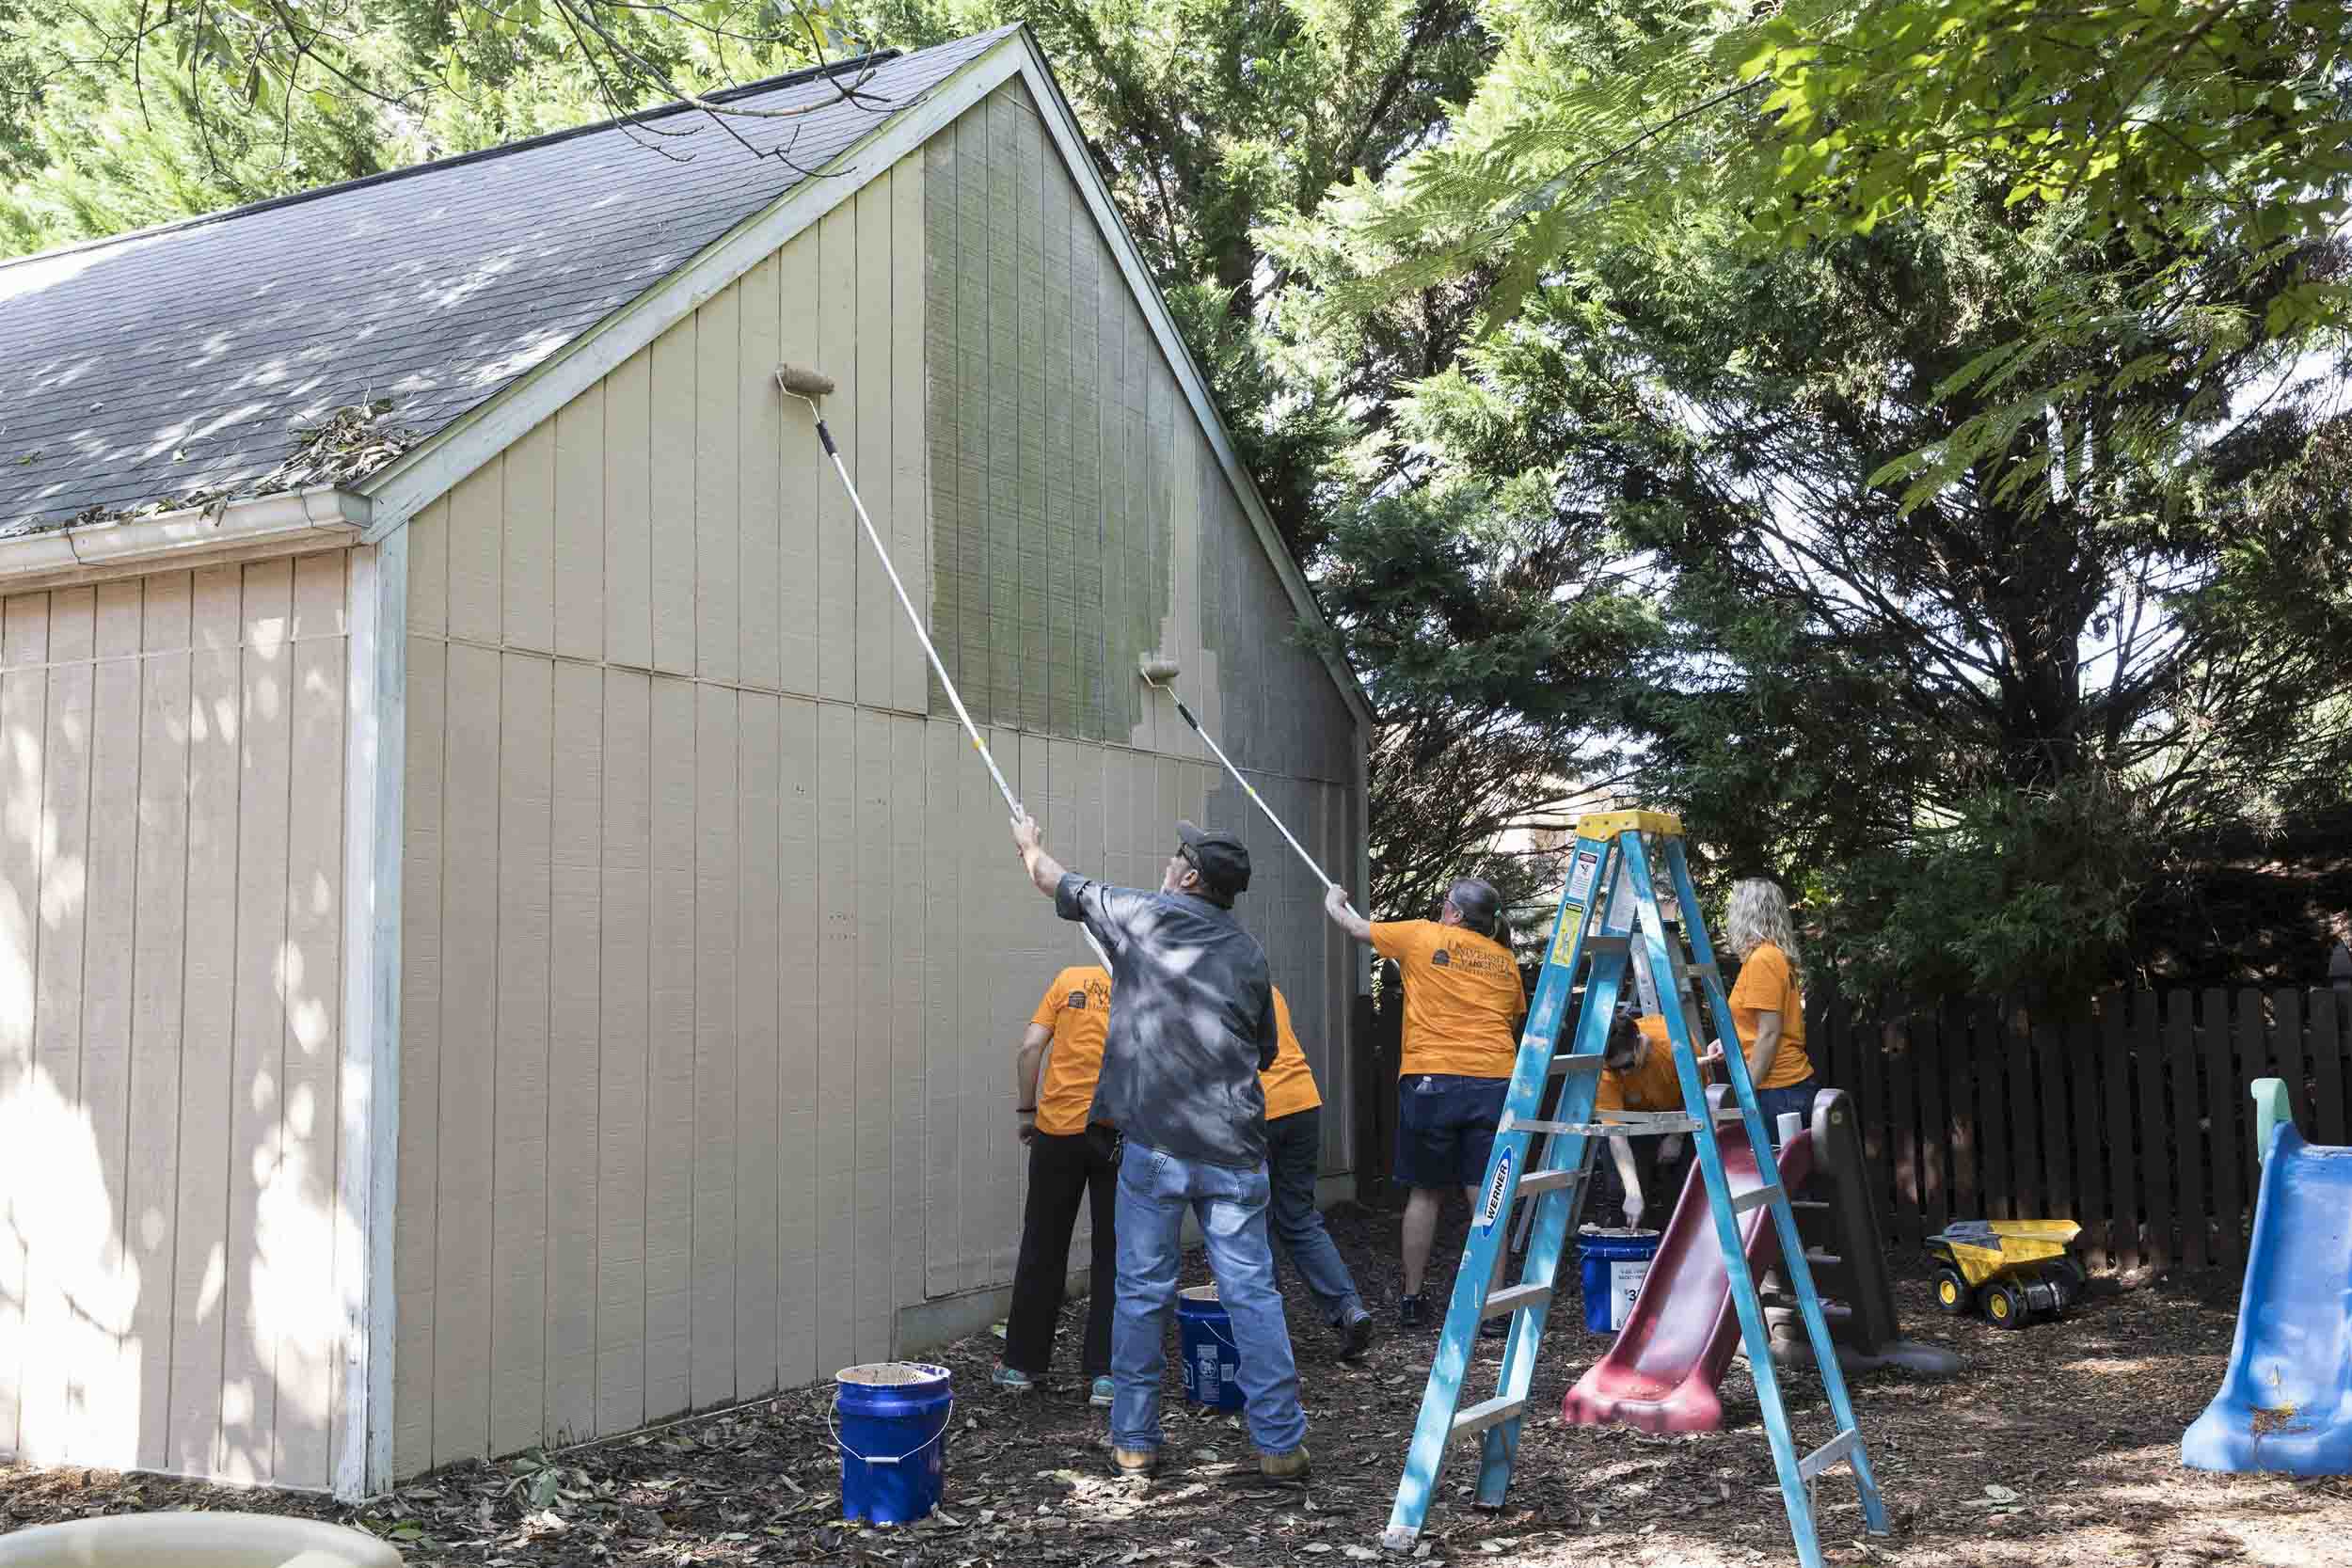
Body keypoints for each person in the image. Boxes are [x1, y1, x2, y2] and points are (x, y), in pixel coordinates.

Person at [1010, 812, 1310, 1482]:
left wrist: (1030, 842)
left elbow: (1053, 879)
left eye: (1178, 856)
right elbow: (1263, 1050)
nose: (1169, 862)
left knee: (1142, 1290)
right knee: (1252, 1293)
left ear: (1191, 876)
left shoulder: (1144, 915)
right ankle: (1281, 1444)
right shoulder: (1249, 953)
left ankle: (1136, 1442)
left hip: (1156, 1148)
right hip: (1234, 1148)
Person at [1322, 877, 1527, 1332]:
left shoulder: (1421, 936)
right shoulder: (1505, 962)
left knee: (1425, 1192)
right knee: (1486, 1195)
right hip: (1493, 1082)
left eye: (1443, 903)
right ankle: (1492, 1308)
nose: (1439, 908)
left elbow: (1356, 928)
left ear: (1454, 913)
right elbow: (1512, 1016)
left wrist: (1335, 900)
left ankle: (1413, 1300)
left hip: (1431, 1081)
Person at [993, 964, 1120, 1406]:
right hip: (1116, 1133)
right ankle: (1106, 1374)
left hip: (1057, 1131)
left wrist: (1026, 1111)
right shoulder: (1140, 980)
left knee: (1043, 1245)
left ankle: (1021, 1365)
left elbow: (1030, 1048)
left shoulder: (1068, 981)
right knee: (1115, 1251)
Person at [1261, 985, 1376, 1360]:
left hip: (1254, 1112)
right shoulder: (1267, 984)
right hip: (1301, 1101)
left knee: (1251, 1225)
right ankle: (1348, 1309)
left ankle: (1268, 1335)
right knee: (1298, 1218)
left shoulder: (1202, 988)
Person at [1706, 878, 1818, 1140]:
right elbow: (1758, 1027)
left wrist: (1746, 1093)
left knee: (1776, 1178)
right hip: (1784, 1089)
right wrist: (1728, 1043)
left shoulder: (1763, 959)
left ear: (1746, 913)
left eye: (1733, 908)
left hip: (1777, 1091)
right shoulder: (1770, 956)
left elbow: (1769, 1034)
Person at [1594, 1010, 1694, 1229]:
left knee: (1683, 1191)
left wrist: (1676, 1136)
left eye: (1628, 1066)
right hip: (1632, 1120)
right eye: (1616, 1069)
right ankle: (1626, 1254)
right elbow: (1616, 1137)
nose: (1624, 1075)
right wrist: (1633, 1193)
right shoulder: (1604, 1072)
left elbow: (1697, 1096)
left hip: (1681, 1113)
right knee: (1620, 1191)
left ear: (1640, 1043)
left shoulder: (1676, 1043)